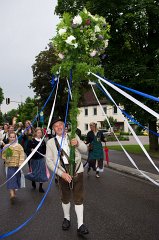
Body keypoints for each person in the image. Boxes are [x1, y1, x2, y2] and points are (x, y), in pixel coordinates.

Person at [46, 116, 89, 236]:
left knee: (78, 198)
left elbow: (85, 150)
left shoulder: (73, 136)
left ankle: (80, 224)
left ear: (65, 125)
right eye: (56, 126)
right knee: (65, 197)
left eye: (60, 124)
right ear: (53, 129)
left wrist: (78, 144)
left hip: (77, 171)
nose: (59, 127)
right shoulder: (50, 143)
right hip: (62, 173)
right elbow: (49, 161)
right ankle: (67, 218)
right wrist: (61, 174)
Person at [2, 132, 25, 204]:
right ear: (8, 138)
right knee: (11, 179)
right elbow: (3, 155)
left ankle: (14, 193)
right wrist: (6, 158)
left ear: (16, 138)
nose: (12, 138)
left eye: (13, 137)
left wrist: (20, 163)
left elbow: (22, 155)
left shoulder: (19, 146)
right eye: (11, 137)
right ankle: (12, 195)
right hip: (10, 167)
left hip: (17, 167)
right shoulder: (6, 146)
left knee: (16, 180)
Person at [25, 127, 49, 193]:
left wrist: (44, 153)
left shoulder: (43, 141)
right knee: (35, 173)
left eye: (40, 133)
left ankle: (40, 187)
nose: (39, 134)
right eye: (38, 132)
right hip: (34, 160)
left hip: (41, 159)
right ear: (35, 133)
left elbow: (44, 150)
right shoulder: (31, 141)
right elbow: (27, 149)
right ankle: (33, 180)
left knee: (42, 173)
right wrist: (30, 150)